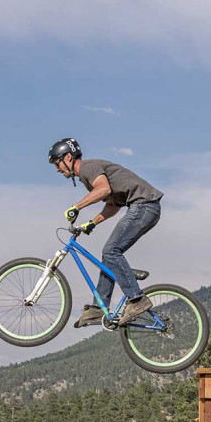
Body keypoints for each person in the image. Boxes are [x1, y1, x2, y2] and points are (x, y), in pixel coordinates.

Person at [48, 137, 163, 328]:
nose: (56, 169)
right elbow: (112, 204)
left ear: (68, 157)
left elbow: (103, 189)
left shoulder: (87, 168)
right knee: (108, 254)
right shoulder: (88, 176)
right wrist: (92, 223)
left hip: (144, 205)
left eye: (56, 162)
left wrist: (76, 207)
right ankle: (98, 308)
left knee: (111, 251)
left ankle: (136, 300)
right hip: (144, 207)